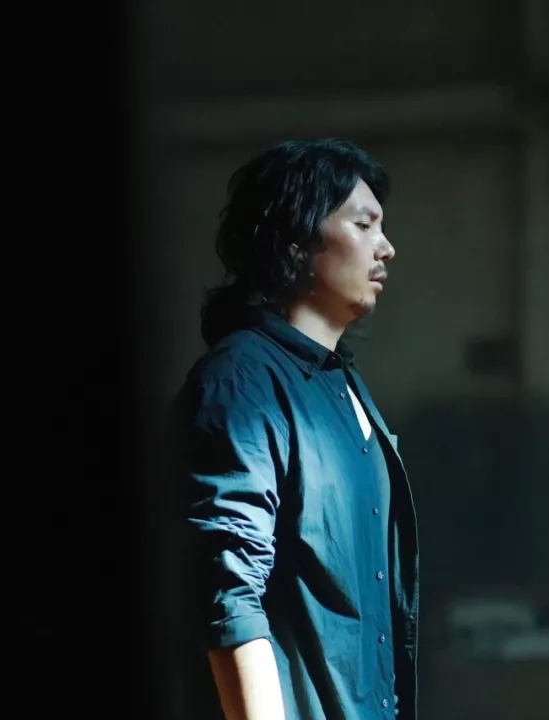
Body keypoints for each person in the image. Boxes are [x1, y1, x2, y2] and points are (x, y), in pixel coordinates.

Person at [172, 139, 419, 720]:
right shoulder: (242, 380)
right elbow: (228, 589)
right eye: (364, 224)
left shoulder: (344, 385)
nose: (386, 247)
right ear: (295, 241)